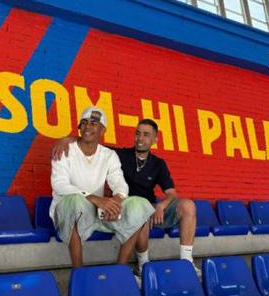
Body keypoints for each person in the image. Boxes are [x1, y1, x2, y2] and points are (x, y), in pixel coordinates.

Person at [52, 118, 198, 275]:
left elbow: (172, 194)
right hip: (127, 209)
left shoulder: (158, 163)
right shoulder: (119, 155)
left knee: (187, 205)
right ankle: (143, 266)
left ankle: (186, 261)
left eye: (146, 135)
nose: (140, 138)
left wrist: (161, 206)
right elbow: (91, 140)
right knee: (140, 212)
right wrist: (67, 139)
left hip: (152, 209)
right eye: (138, 133)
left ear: (155, 139)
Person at [50, 107, 154, 269]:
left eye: (94, 123)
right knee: (75, 201)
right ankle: (79, 273)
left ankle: (120, 269)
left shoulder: (109, 155)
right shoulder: (64, 150)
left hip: (97, 213)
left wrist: (116, 201)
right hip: (67, 212)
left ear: (103, 130)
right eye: (84, 123)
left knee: (139, 204)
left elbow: (120, 184)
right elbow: (59, 184)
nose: (88, 126)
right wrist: (96, 199)